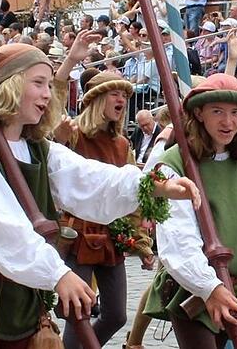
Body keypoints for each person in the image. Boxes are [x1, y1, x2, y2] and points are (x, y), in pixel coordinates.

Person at [0, 40, 198, 348]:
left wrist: (151, 185)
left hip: (23, 293)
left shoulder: (37, 148)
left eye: (48, 83)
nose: (48, 93)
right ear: (10, 85)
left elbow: (88, 178)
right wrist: (58, 275)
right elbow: (5, 229)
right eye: (38, 83)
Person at [143, 73, 237, 348]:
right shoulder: (174, 164)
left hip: (235, 287)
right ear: (200, 114)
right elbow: (179, 240)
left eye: (236, 113)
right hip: (192, 287)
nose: (228, 122)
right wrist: (208, 286)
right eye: (218, 112)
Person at [53, 70, 154, 348]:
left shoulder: (123, 145)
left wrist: (142, 244)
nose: (122, 100)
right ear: (97, 99)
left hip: (112, 238)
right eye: (115, 94)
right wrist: (59, 139)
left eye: (124, 95)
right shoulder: (73, 135)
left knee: (117, 315)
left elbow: (133, 194)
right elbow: (49, 166)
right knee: (79, 312)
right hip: (77, 236)